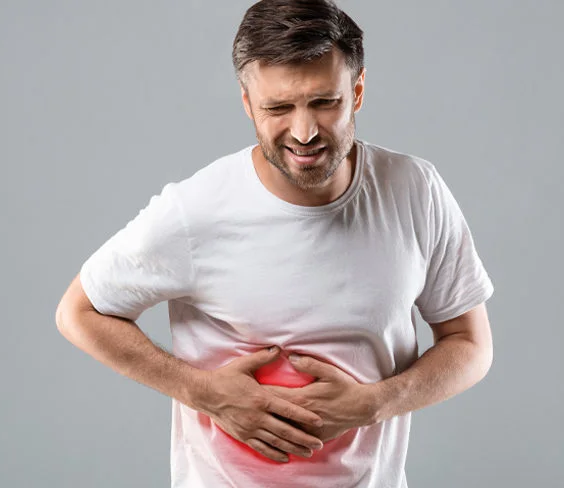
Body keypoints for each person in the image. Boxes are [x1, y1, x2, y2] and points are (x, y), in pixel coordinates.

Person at [55, 1, 495, 486]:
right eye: (278, 108)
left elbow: (470, 344)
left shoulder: (415, 190)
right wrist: (202, 392)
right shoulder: (196, 209)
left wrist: (375, 403)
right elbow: (78, 312)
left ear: (359, 91)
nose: (304, 133)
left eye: (325, 103)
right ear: (247, 103)